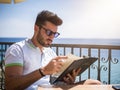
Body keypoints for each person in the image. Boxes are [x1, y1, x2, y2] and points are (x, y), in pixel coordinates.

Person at [5, 10, 101, 90]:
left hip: (51, 88)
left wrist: (67, 80)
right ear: (36, 28)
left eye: (54, 34)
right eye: (48, 32)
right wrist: (43, 71)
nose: (52, 37)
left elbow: (53, 80)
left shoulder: (50, 52)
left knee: (94, 83)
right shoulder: (17, 50)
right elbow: (10, 86)